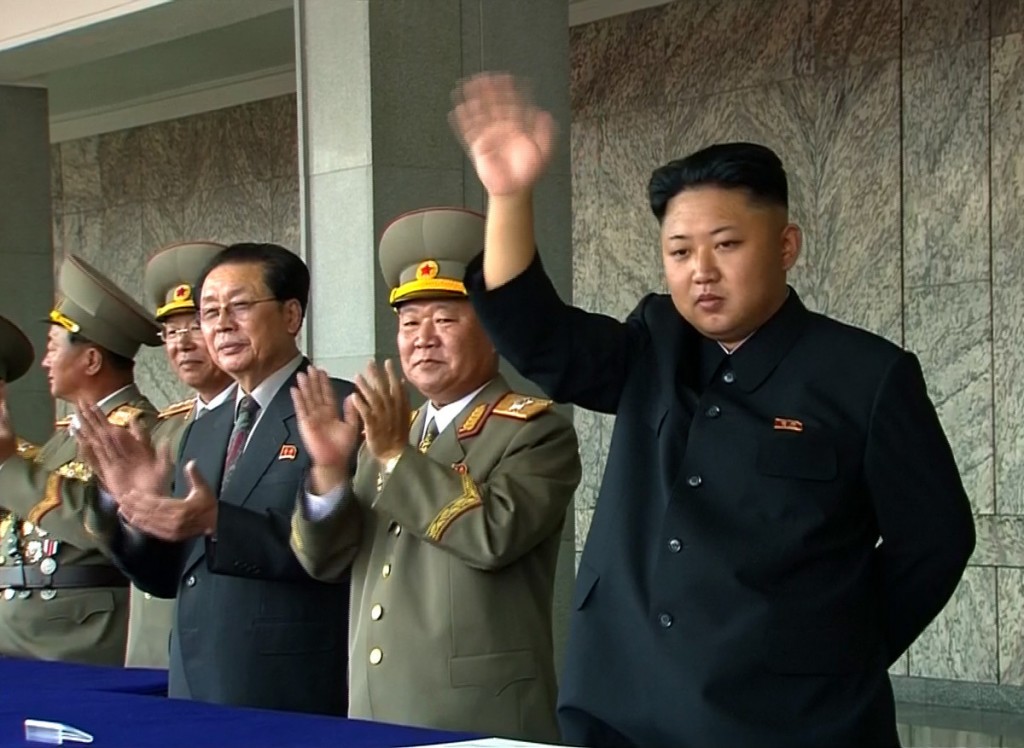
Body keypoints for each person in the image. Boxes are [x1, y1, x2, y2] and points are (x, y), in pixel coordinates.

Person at [450, 73, 976, 748]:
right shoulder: (654, 342)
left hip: (790, 725)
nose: (700, 269)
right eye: (679, 251)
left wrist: (835, 648)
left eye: (726, 245)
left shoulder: (867, 376)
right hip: (620, 708)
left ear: (786, 247)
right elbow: (538, 336)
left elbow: (934, 541)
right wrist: (509, 194)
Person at [289, 206, 581, 742]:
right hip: (377, 707)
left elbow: (494, 535)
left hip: (475, 717)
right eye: (408, 323)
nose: (422, 338)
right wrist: (330, 470)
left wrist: (397, 455)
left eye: (445, 320)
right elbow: (323, 559)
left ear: (494, 332)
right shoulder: (391, 432)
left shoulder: (534, 430)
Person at [79, 243, 352, 715]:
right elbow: (169, 577)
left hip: (288, 687)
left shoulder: (338, 409)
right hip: (194, 682)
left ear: (291, 315)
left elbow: (335, 556)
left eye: (240, 307)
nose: (221, 324)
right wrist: (127, 504)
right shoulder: (203, 426)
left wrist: (217, 521)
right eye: (209, 312)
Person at [0, 255, 161, 665]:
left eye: (53, 348)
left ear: (91, 360)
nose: (44, 363)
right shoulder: (61, 440)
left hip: (79, 636)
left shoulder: (138, 431)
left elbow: (109, 530)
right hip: (26, 633)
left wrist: (8, 467)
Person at [123, 240, 236, 669]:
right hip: (157, 648)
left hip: (230, 648)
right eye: (171, 332)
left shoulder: (271, 422)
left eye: (195, 326)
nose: (182, 344)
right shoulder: (161, 432)